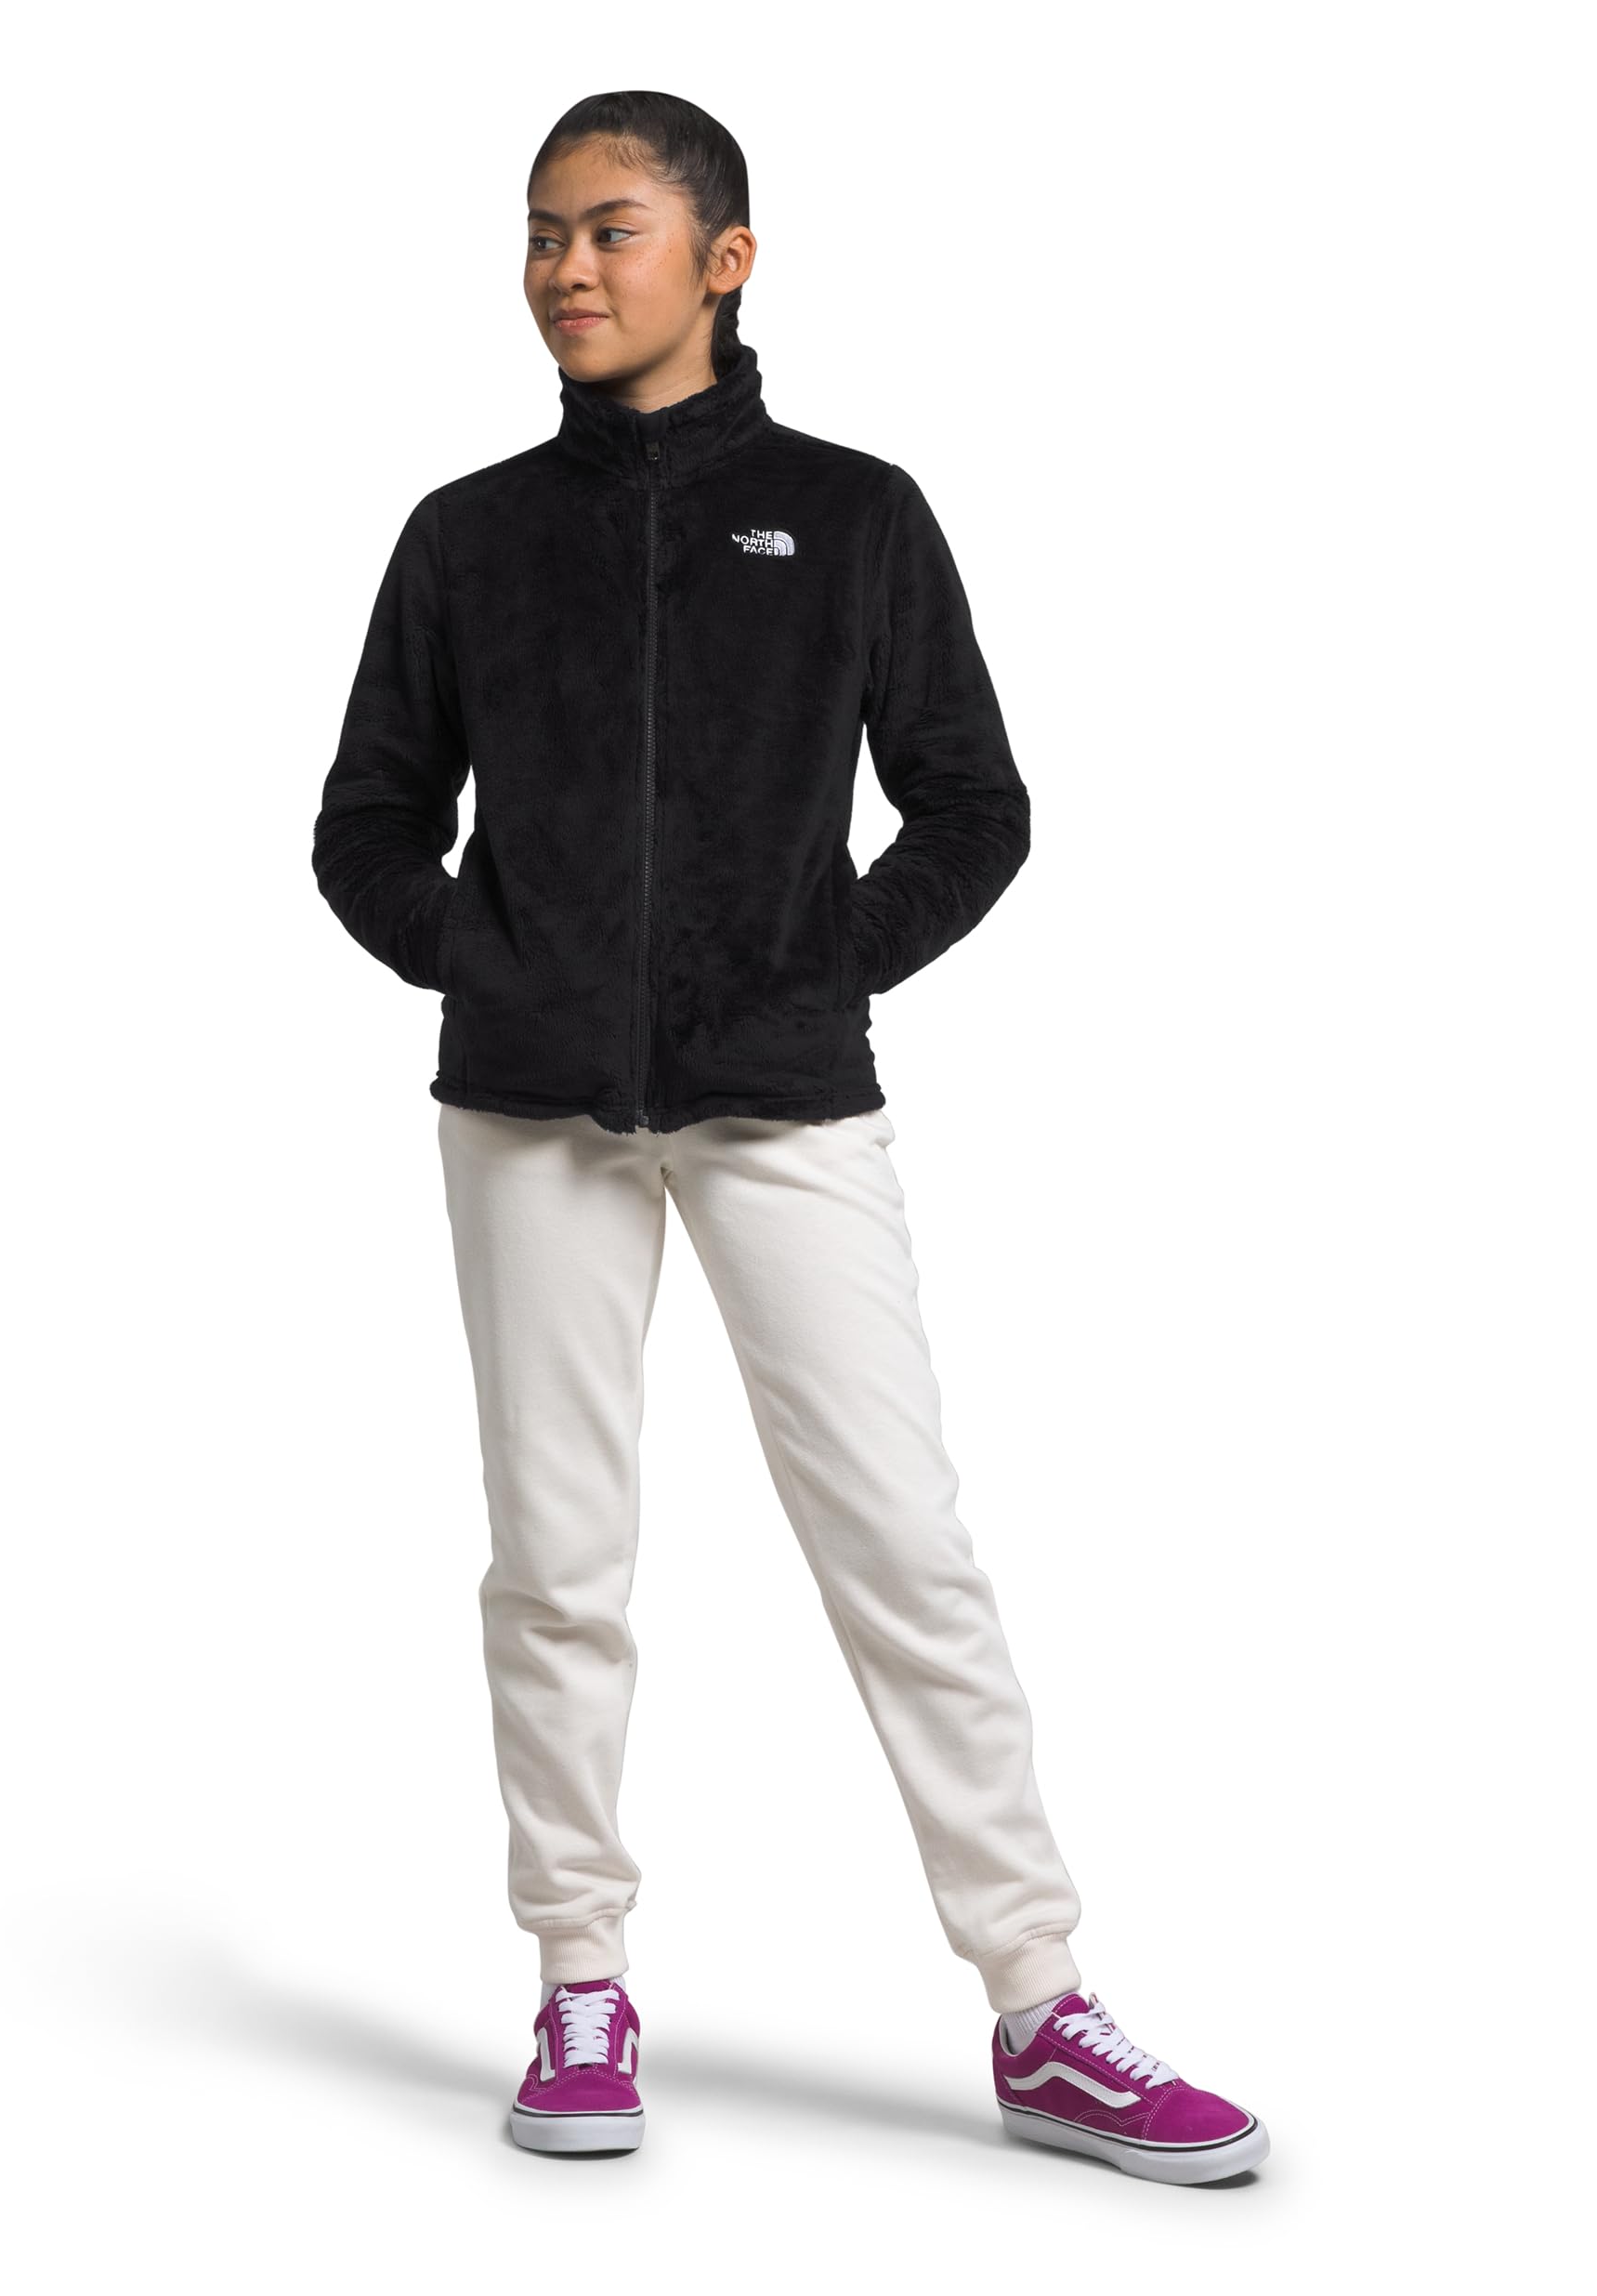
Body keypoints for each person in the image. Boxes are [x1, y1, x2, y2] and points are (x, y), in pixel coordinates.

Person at [312, 89, 1267, 2184]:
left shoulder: (851, 515)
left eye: (610, 228)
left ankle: (1040, 2003)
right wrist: (496, 967)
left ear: (724, 260)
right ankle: (580, 1977)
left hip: (782, 1098)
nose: (566, 267)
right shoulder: (467, 534)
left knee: (900, 1543)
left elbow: (974, 805)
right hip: (530, 1112)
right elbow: (364, 822)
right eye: (542, 232)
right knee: (556, 1562)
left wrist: (807, 969)